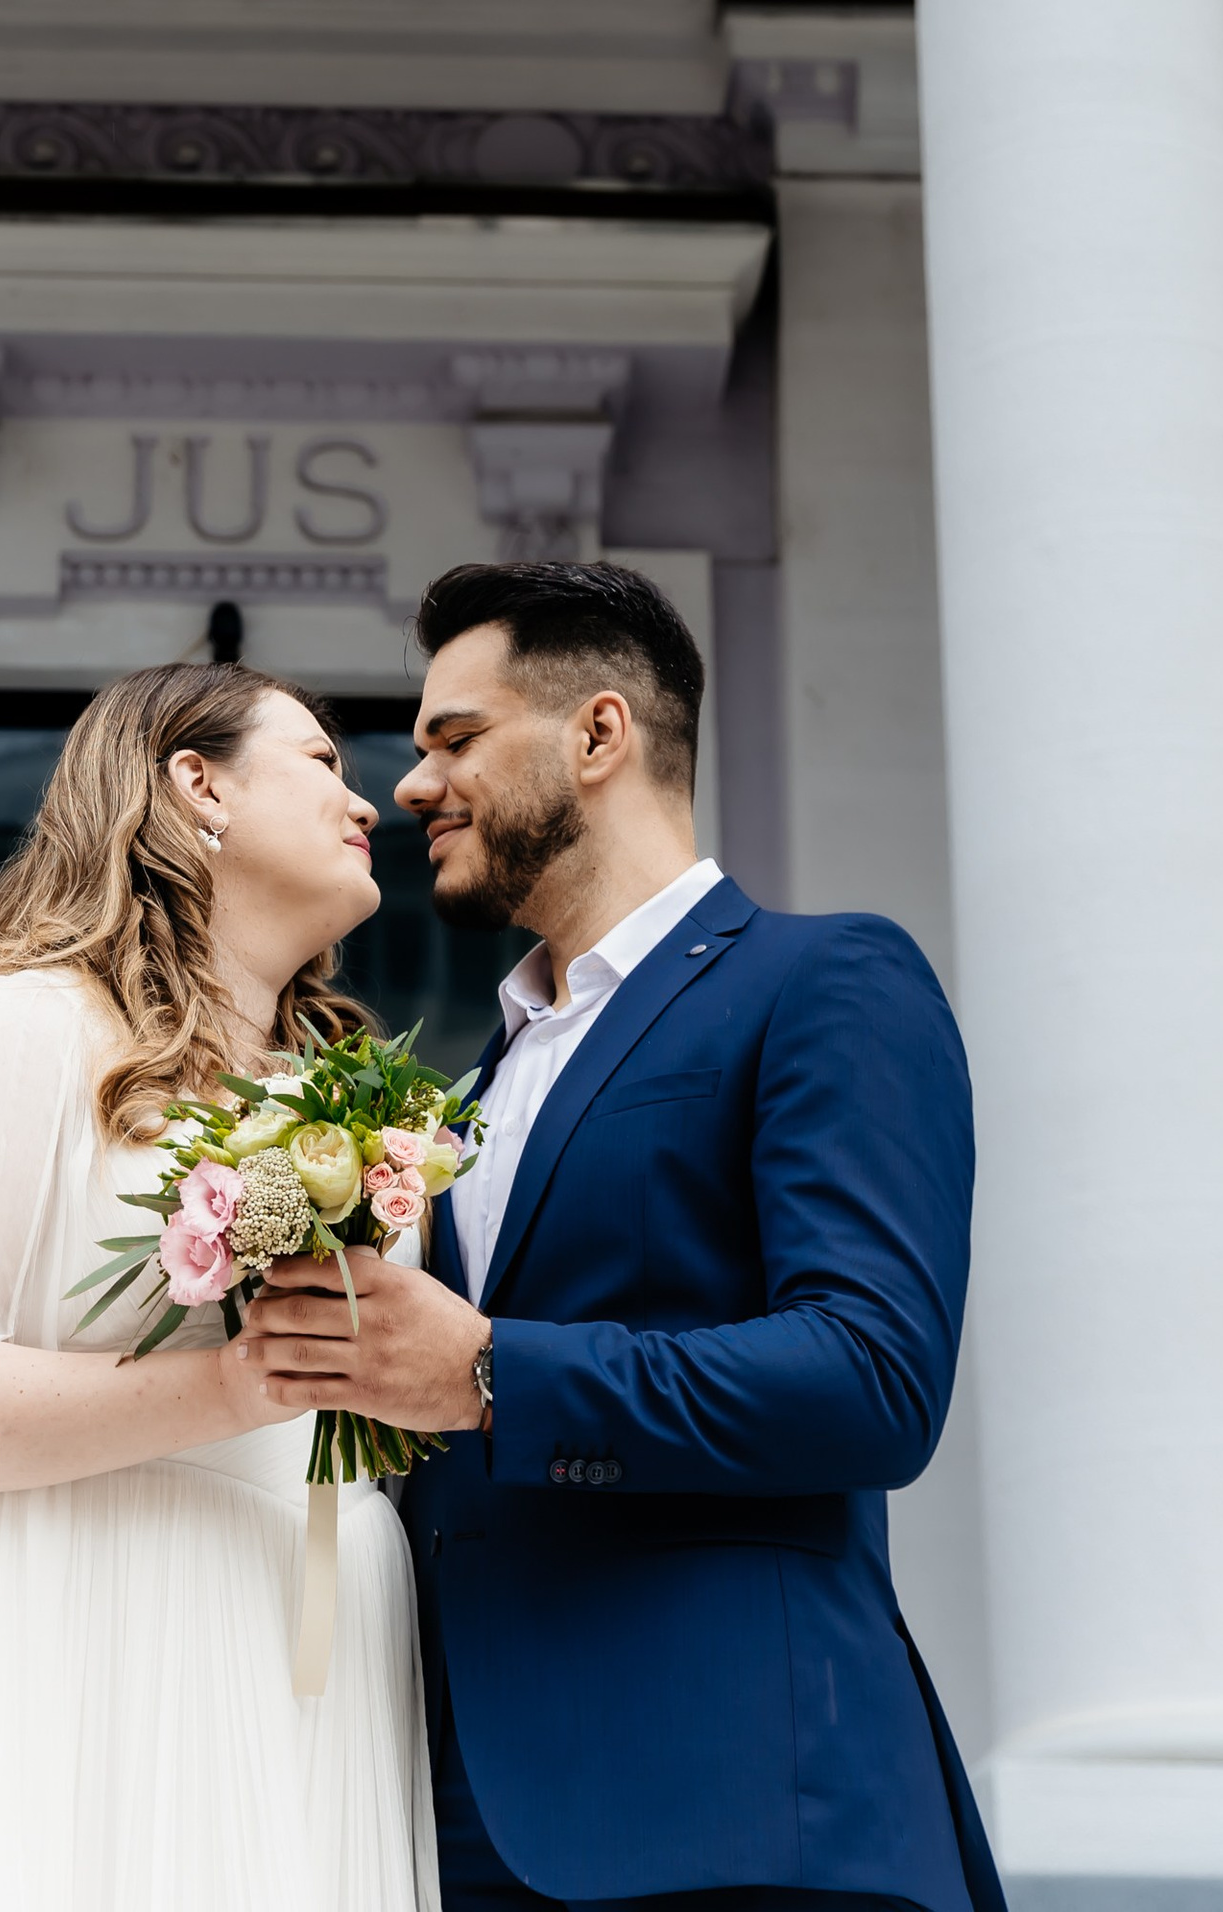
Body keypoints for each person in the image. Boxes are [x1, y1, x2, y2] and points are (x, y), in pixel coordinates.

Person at [240, 560, 1005, 1912]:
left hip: (741, 1816)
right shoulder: (463, 1095)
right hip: (452, 1822)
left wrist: (491, 1373)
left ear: (598, 735)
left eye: (455, 739)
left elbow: (872, 1376)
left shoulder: (822, 980)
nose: (412, 786)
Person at [0, 661, 439, 1912]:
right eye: (321, 764)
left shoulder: (345, 1110)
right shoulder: (29, 1031)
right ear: (199, 785)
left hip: (310, 1660)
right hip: (95, 1652)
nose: (370, 803)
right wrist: (231, 1387)